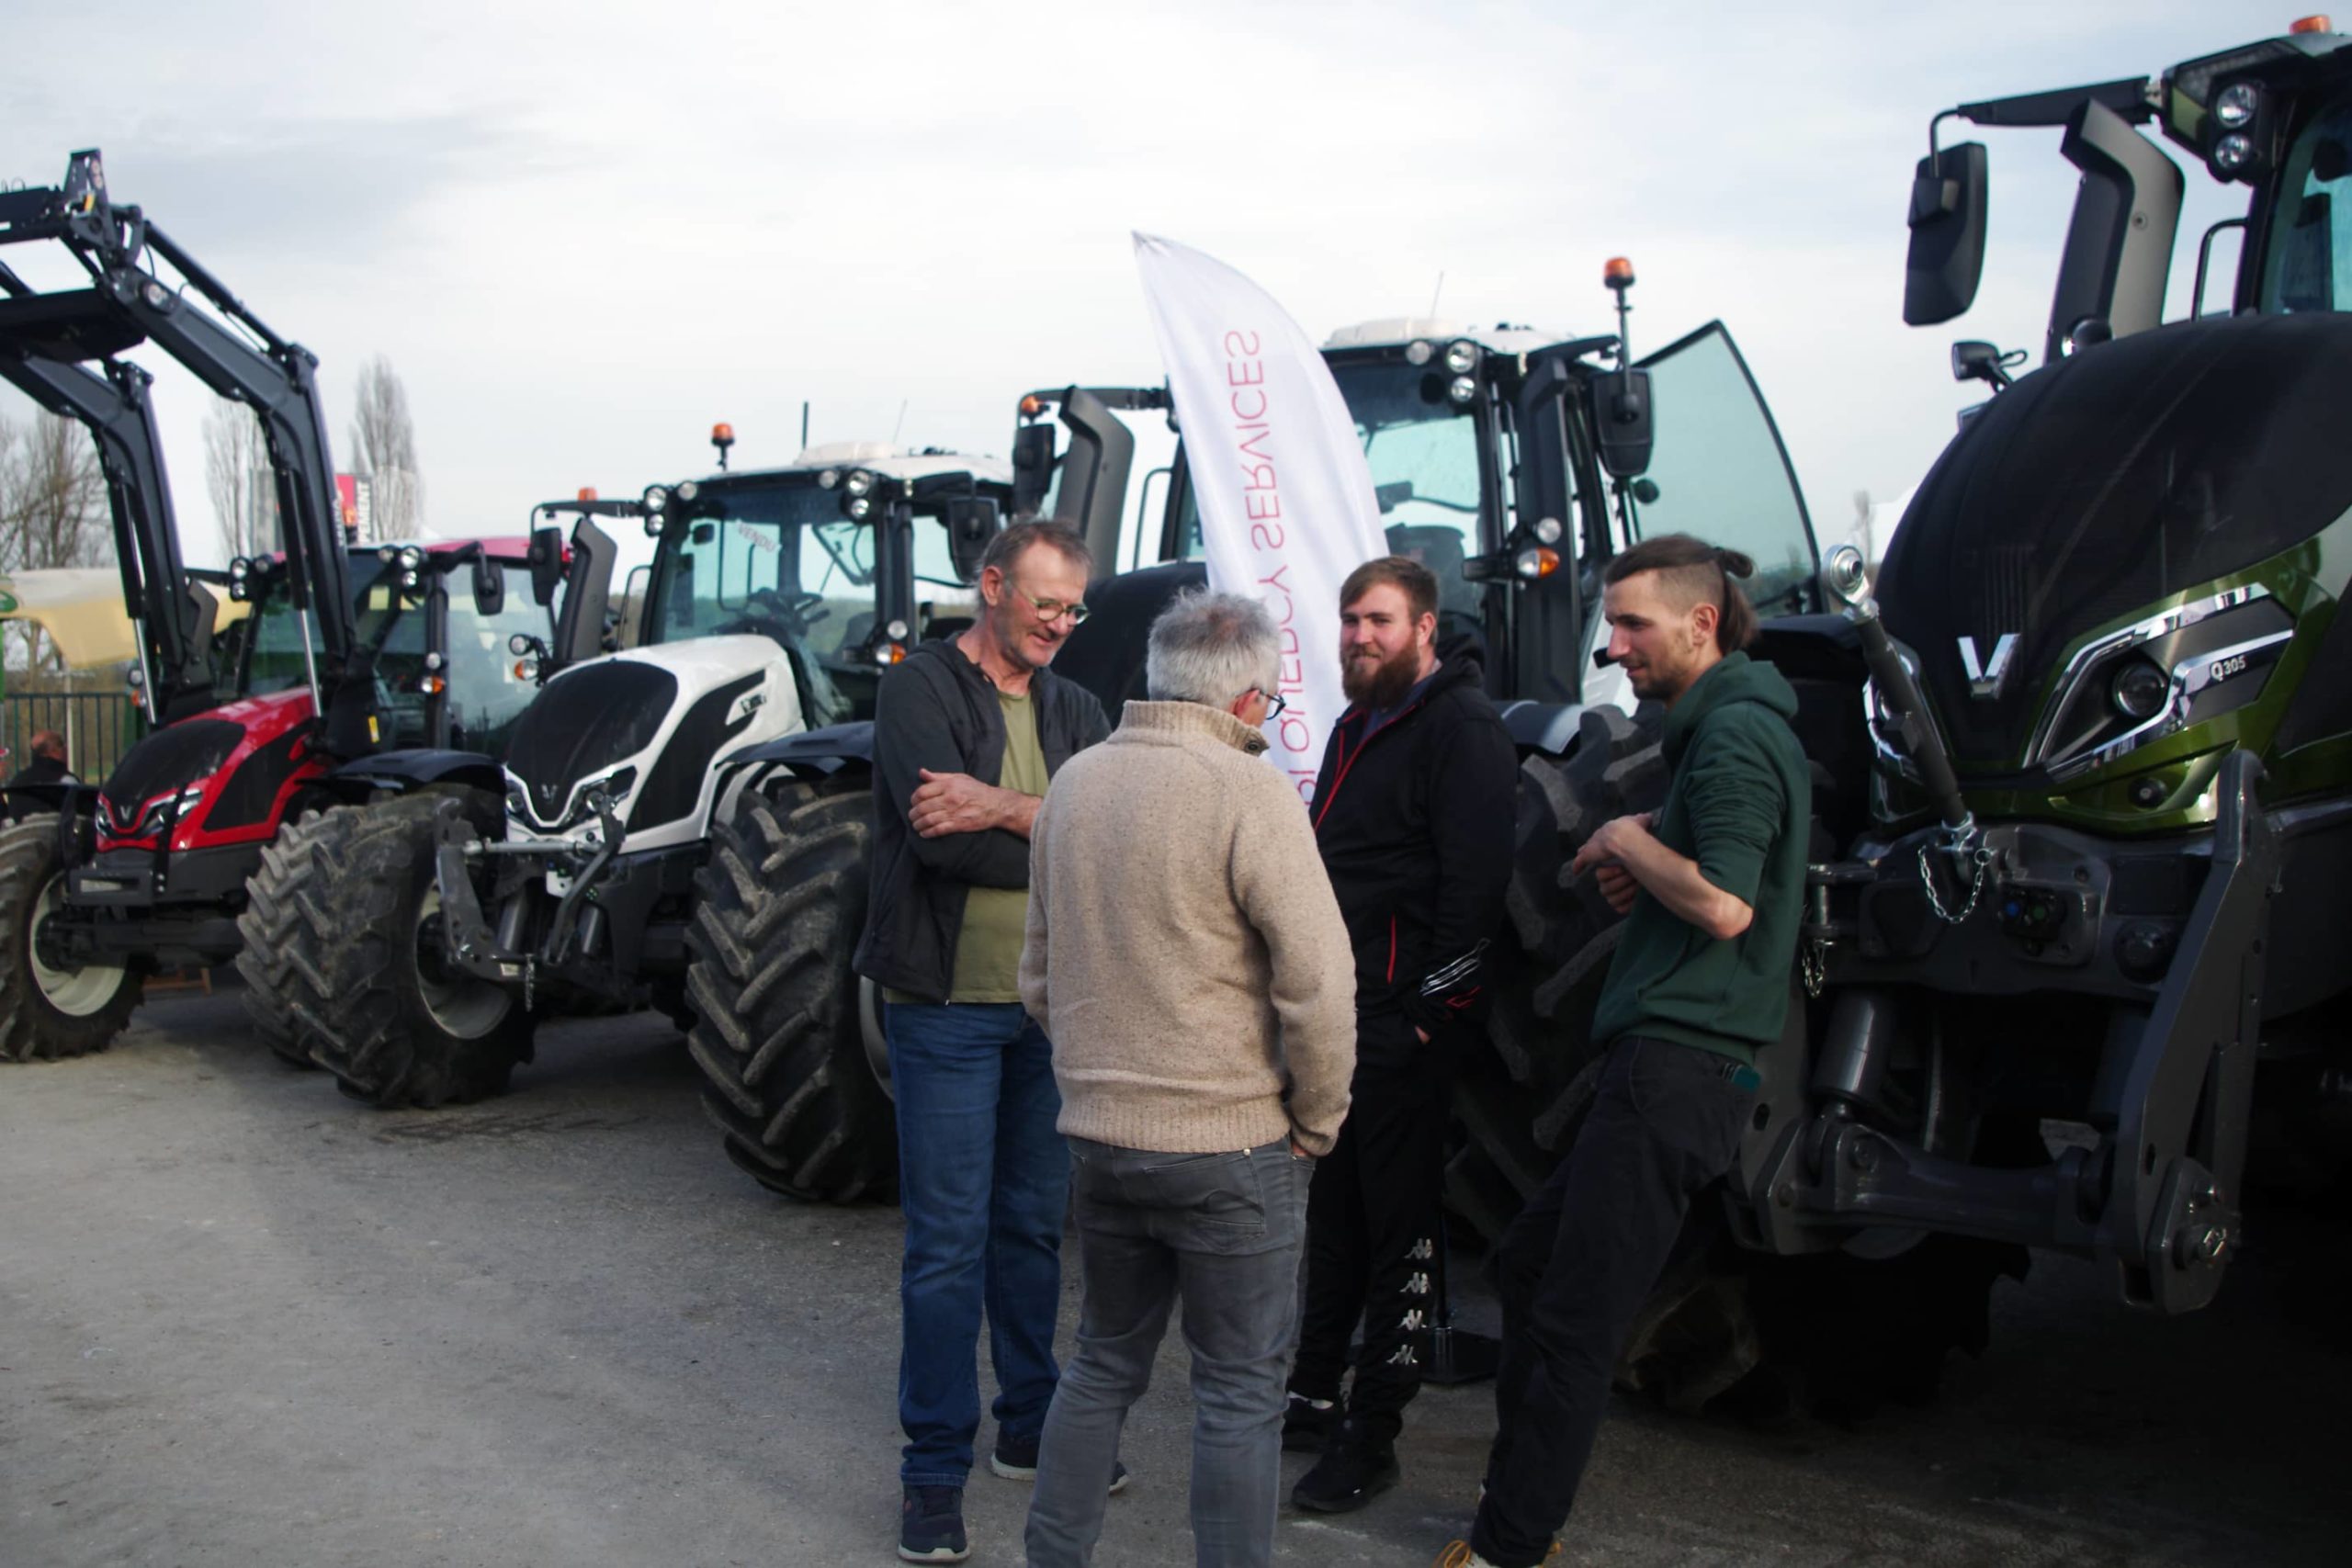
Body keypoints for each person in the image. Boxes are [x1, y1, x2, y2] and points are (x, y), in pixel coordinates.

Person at [1434, 535, 1811, 1568]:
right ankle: (1512, 1511)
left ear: (1702, 621)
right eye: (1613, 623)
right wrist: (1648, 838)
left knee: (1573, 1315)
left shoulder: (1733, 735)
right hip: (1655, 1057)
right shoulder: (1718, 730)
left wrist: (1626, 842)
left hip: (1682, 1065)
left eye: (1634, 624)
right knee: (1526, 1261)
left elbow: (1727, 904)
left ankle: (1512, 1544)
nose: (1614, 647)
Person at [1019, 589, 1358, 1568]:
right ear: (1247, 702)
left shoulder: (1075, 785)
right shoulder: (1249, 793)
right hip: (1233, 1148)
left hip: (1102, 1139)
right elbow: (1320, 982)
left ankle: (1052, 1557)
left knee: (1099, 1367)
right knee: (1239, 1394)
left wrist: (1098, 1084)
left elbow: (1037, 975)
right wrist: (1318, 1117)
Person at [852, 520, 1112, 1565]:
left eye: (1073, 608)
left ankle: (1028, 1427)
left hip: (1047, 1016)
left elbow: (1106, 848)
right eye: (1046, 602)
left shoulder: (1077, 705)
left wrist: (1002, 807)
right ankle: (931, 1471)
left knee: (1031, 1230)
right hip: (947, 1014)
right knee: (945, 1245)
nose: (1060, 623)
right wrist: (1051, 830)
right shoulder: (918, 689)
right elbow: (937, 844)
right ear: (992, 586)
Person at [1286, 556, 1517, 1513]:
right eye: (1348, 620)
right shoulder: (1356, 723)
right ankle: (1308, 1391)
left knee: (1399, 1234)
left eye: (1377, 620)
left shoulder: (1459, 730)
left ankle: (1371, 1431)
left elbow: (1475, 891)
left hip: (1401, 1024)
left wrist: (1429, 1017)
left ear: (1424, 628)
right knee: (1334, 1216)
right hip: (1343, 1017)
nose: (1357, 636)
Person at [6, 729, 75, 822]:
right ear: (52, 751)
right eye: (61, 744)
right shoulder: (66, 781)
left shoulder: (17, 781)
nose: (65, 748)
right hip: (52, 834)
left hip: (20, 834)